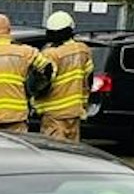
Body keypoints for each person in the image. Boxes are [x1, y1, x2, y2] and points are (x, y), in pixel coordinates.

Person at [29, 12, 92, 142]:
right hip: (75, 112)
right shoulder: (83, 50)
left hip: (54, 115)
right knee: (72, 153)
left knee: (55, 154)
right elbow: (88, 79)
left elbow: (41, 84)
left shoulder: (50, 54)